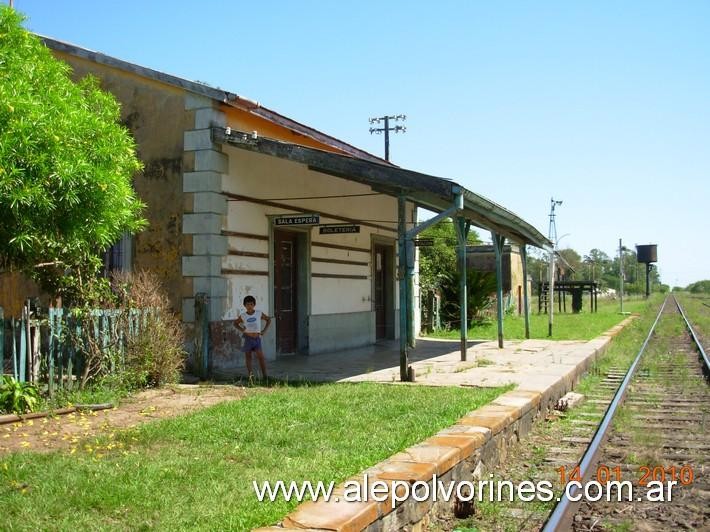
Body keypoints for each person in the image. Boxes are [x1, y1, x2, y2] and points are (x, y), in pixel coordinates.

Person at [235, 295, 271, 380]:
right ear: (244, 305)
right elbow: (235, 323)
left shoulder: (258, 313)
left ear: (254, 304)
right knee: (248, 357)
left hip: (257, 339)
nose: (249, 306)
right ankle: (251, 376)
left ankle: (265, 376)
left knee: (261, 357)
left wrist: (264, 331)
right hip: (248, 338)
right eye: (247, 304)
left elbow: (268, 320)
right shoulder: (243, 315)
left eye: (251, 304)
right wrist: (242, 329)